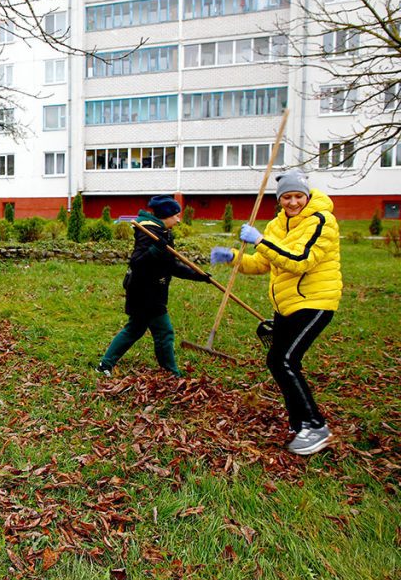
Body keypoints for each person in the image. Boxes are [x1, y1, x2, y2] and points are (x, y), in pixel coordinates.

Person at [211, 169, 341, 456]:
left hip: (315, 302)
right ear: (279, 200)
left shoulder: (322, 221)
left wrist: (260, 241)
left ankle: (316, 426)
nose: (293, 202)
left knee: (283, 359)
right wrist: (234, 256)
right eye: (286, 197)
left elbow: (300, 260)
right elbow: (263, 263)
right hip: (286, 304)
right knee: (279, 361)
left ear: (307, 196)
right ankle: (300, 423)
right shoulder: (277, 225)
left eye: (298, 196)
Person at [97, 195, 210, 377]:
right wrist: (156, 249)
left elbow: (170, 265)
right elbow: (137, 262)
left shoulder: (162, 232)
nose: (179, 219)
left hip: (151, 290)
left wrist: (199, 276)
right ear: (166, 215)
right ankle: (172, 374)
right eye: (176, 215)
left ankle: (105, 365)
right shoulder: (148, 232)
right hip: (145, 292)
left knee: (134, 329)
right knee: (164, 332)